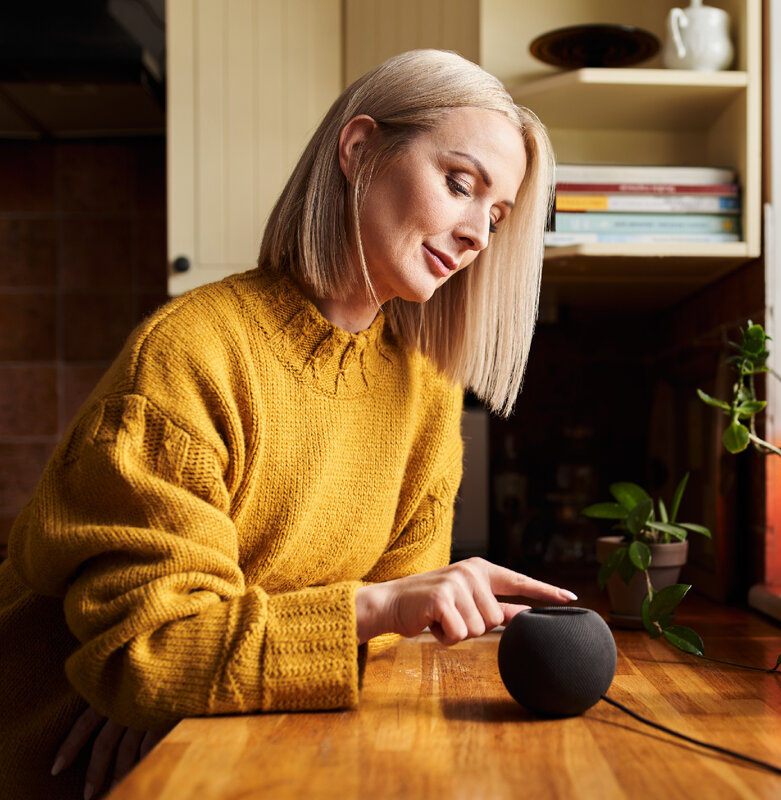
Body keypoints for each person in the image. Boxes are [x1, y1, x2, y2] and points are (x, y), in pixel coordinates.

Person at [0, 49, 569, 799]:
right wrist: (172, 676)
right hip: (79, 765)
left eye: (496, 216)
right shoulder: (189, 354)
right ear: (359, 147)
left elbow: (394, 645)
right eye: (460, 184)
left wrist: (206, 681)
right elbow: (151, 658)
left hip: (237, 736)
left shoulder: (426, 395)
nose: (478, 236)